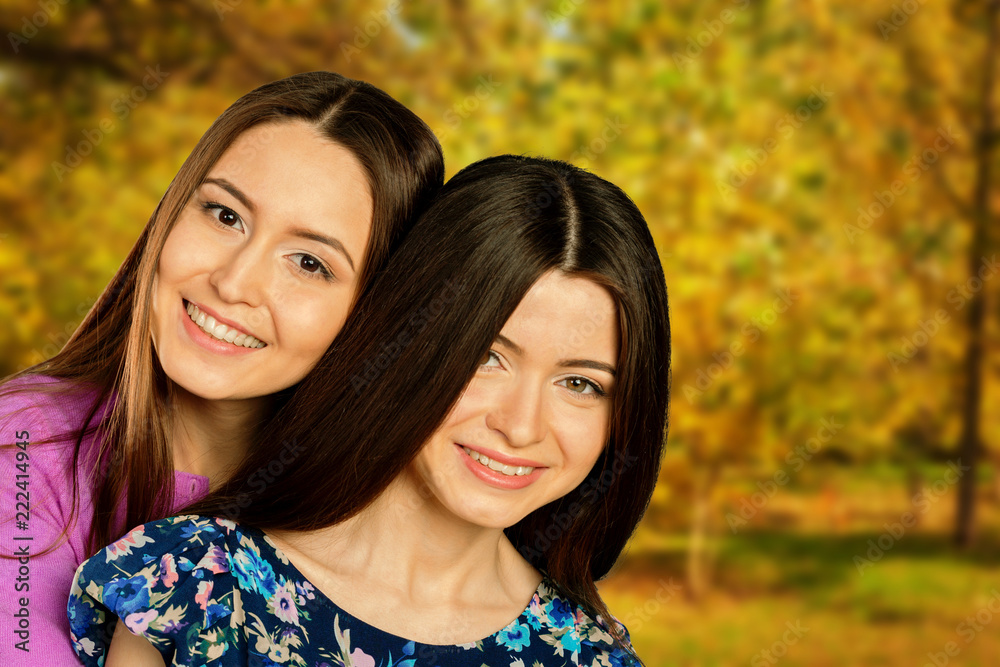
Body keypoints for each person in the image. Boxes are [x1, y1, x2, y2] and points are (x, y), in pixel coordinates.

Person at [70, 155, 670, 666]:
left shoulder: (590, 657)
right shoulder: (196, 583)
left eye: (581, 384)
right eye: (487, 356)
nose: (520, 425)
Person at [0, 71, 443, 665]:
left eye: (309, 262)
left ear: (375, 310)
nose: (233, 283)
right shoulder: (25, 444)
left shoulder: (388, 509)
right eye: (225, 215)